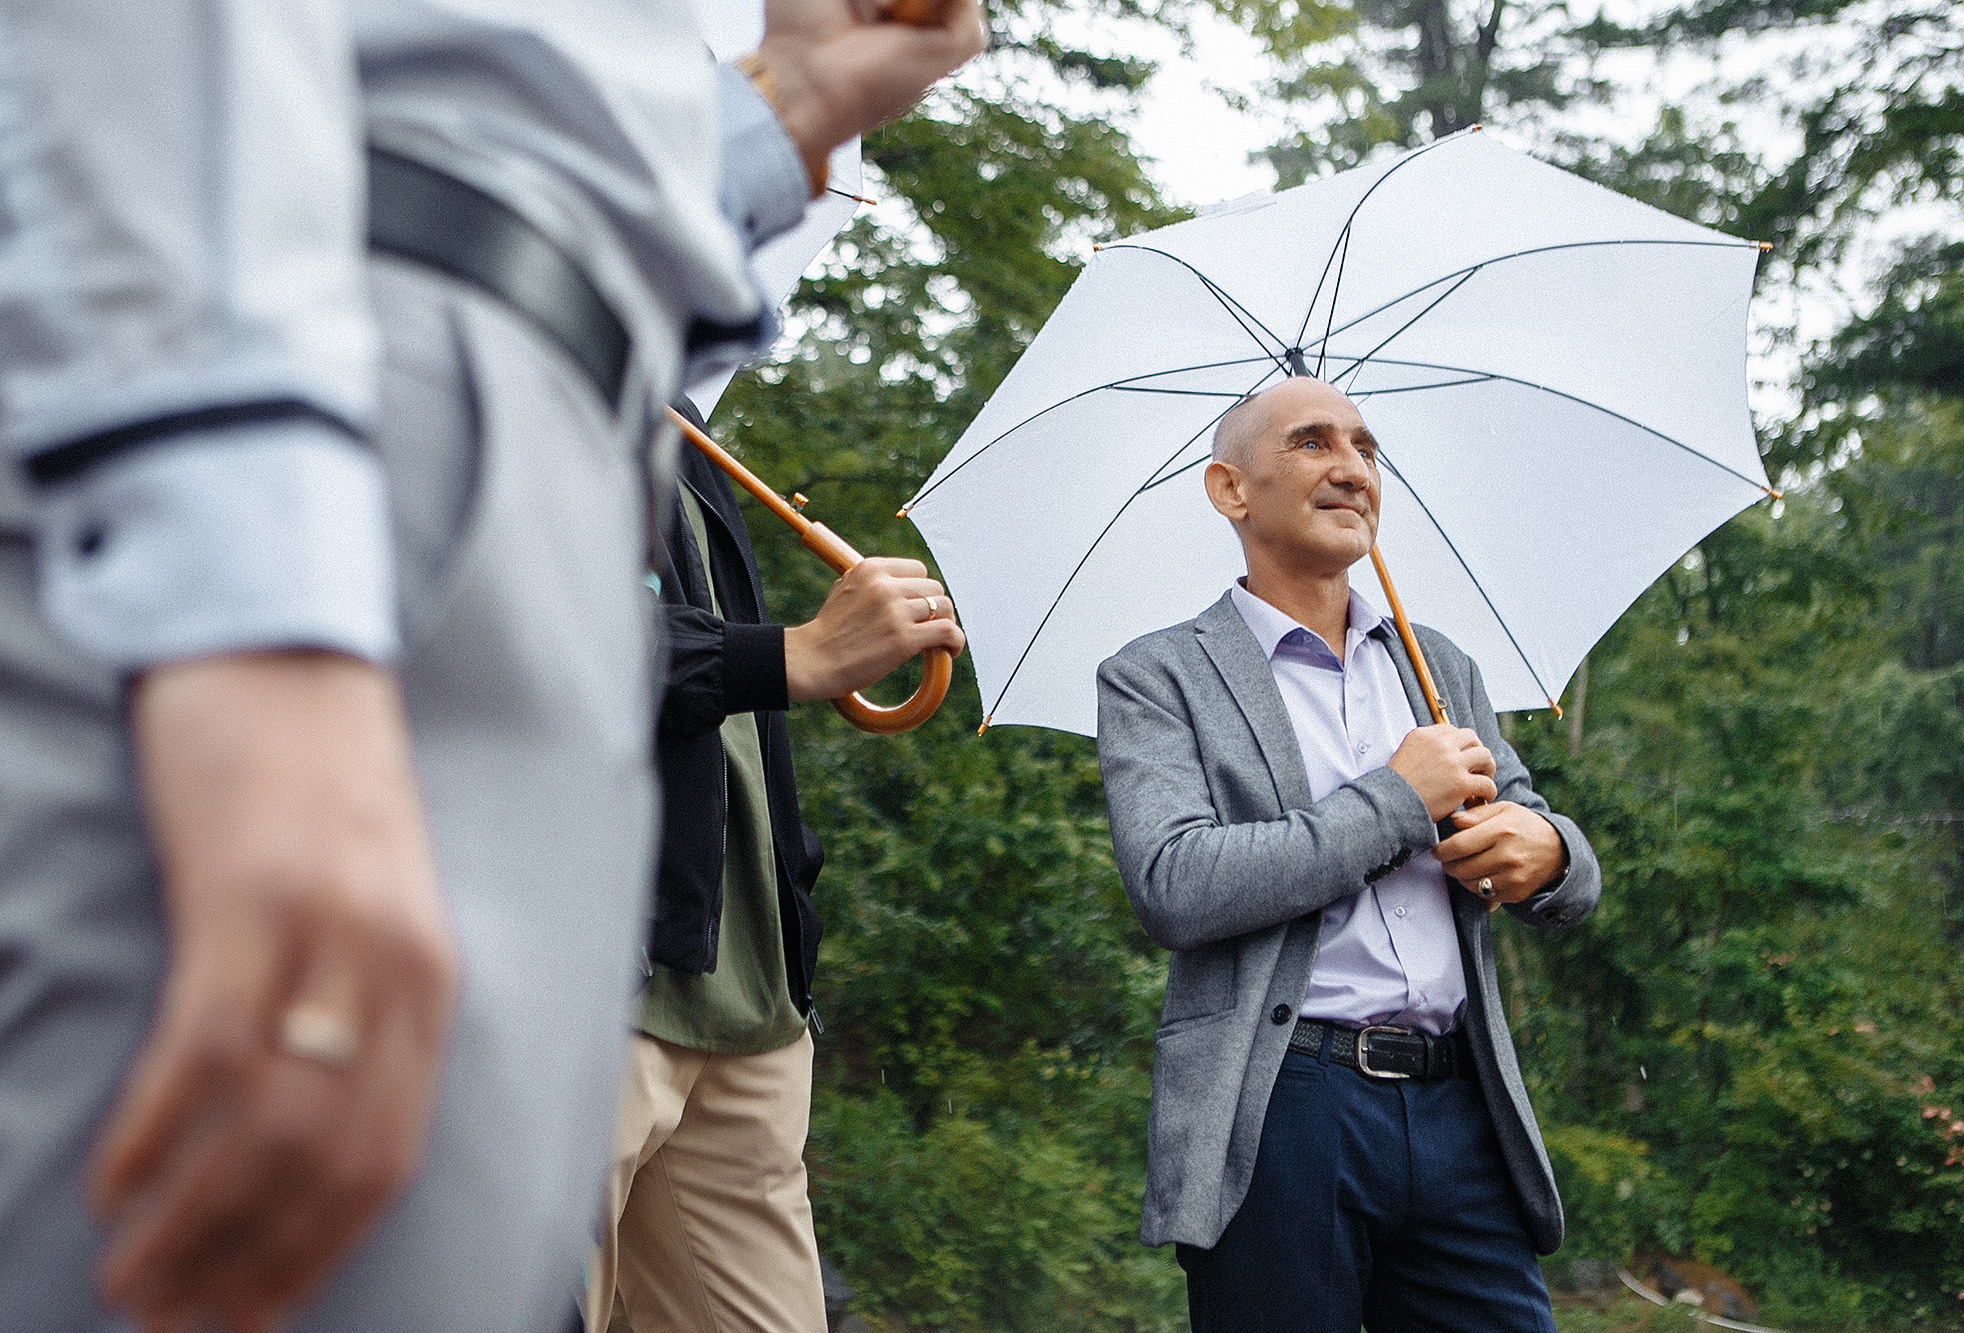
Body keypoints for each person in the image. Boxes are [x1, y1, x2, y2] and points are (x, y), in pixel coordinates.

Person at [0, 2, 981, 1330]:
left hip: (530, 442)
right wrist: (262, 610)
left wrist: (782, 114)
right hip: (259, 400)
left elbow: (505, 124)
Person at [1094, 374, 1602, 1332]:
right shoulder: (1156, 676)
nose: (1351, 469)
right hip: (1283, 1105)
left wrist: (1548, 852)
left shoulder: (1438, 666)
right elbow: (1176, 885)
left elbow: (1554, 848)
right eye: (1312, 443)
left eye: (1365, 449)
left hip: (1464, 1107)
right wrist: (1394, 802)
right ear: (1229, 490)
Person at [583, 397, 964, 1333]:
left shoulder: (691, 437)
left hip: (752, 1015)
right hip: (591, 1000)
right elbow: (535, 632)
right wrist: (793, 651)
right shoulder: (533, 365)